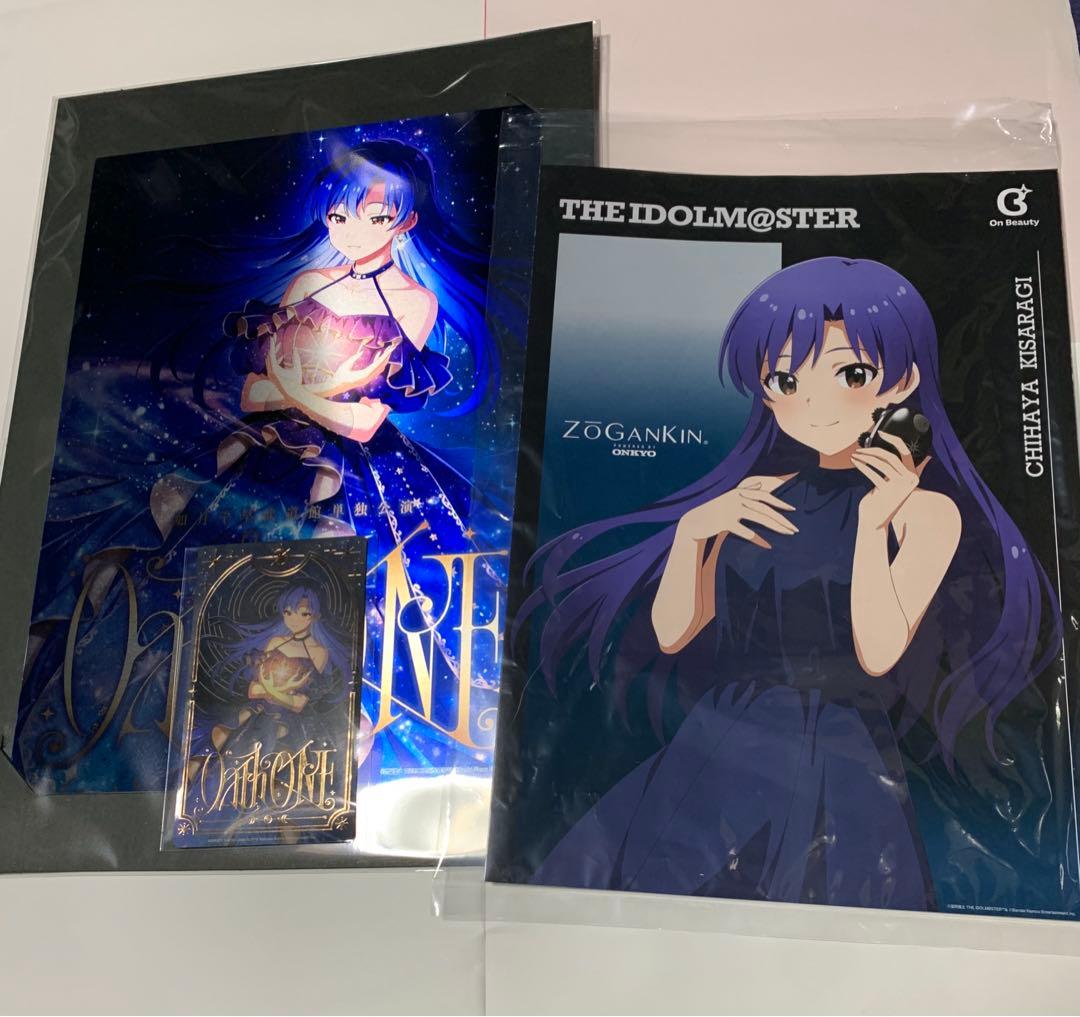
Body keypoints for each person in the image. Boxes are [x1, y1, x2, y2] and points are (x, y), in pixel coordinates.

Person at [523, 256, 1061, 910]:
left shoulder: (925, 512)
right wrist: (694, 532)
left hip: (839, 755)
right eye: (784, 379)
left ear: (903, 381)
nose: (812, 404)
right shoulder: (756, 494)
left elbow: (879, 652)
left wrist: (873, 524)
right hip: (718, 742)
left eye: (851, 374)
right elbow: (673, 633)